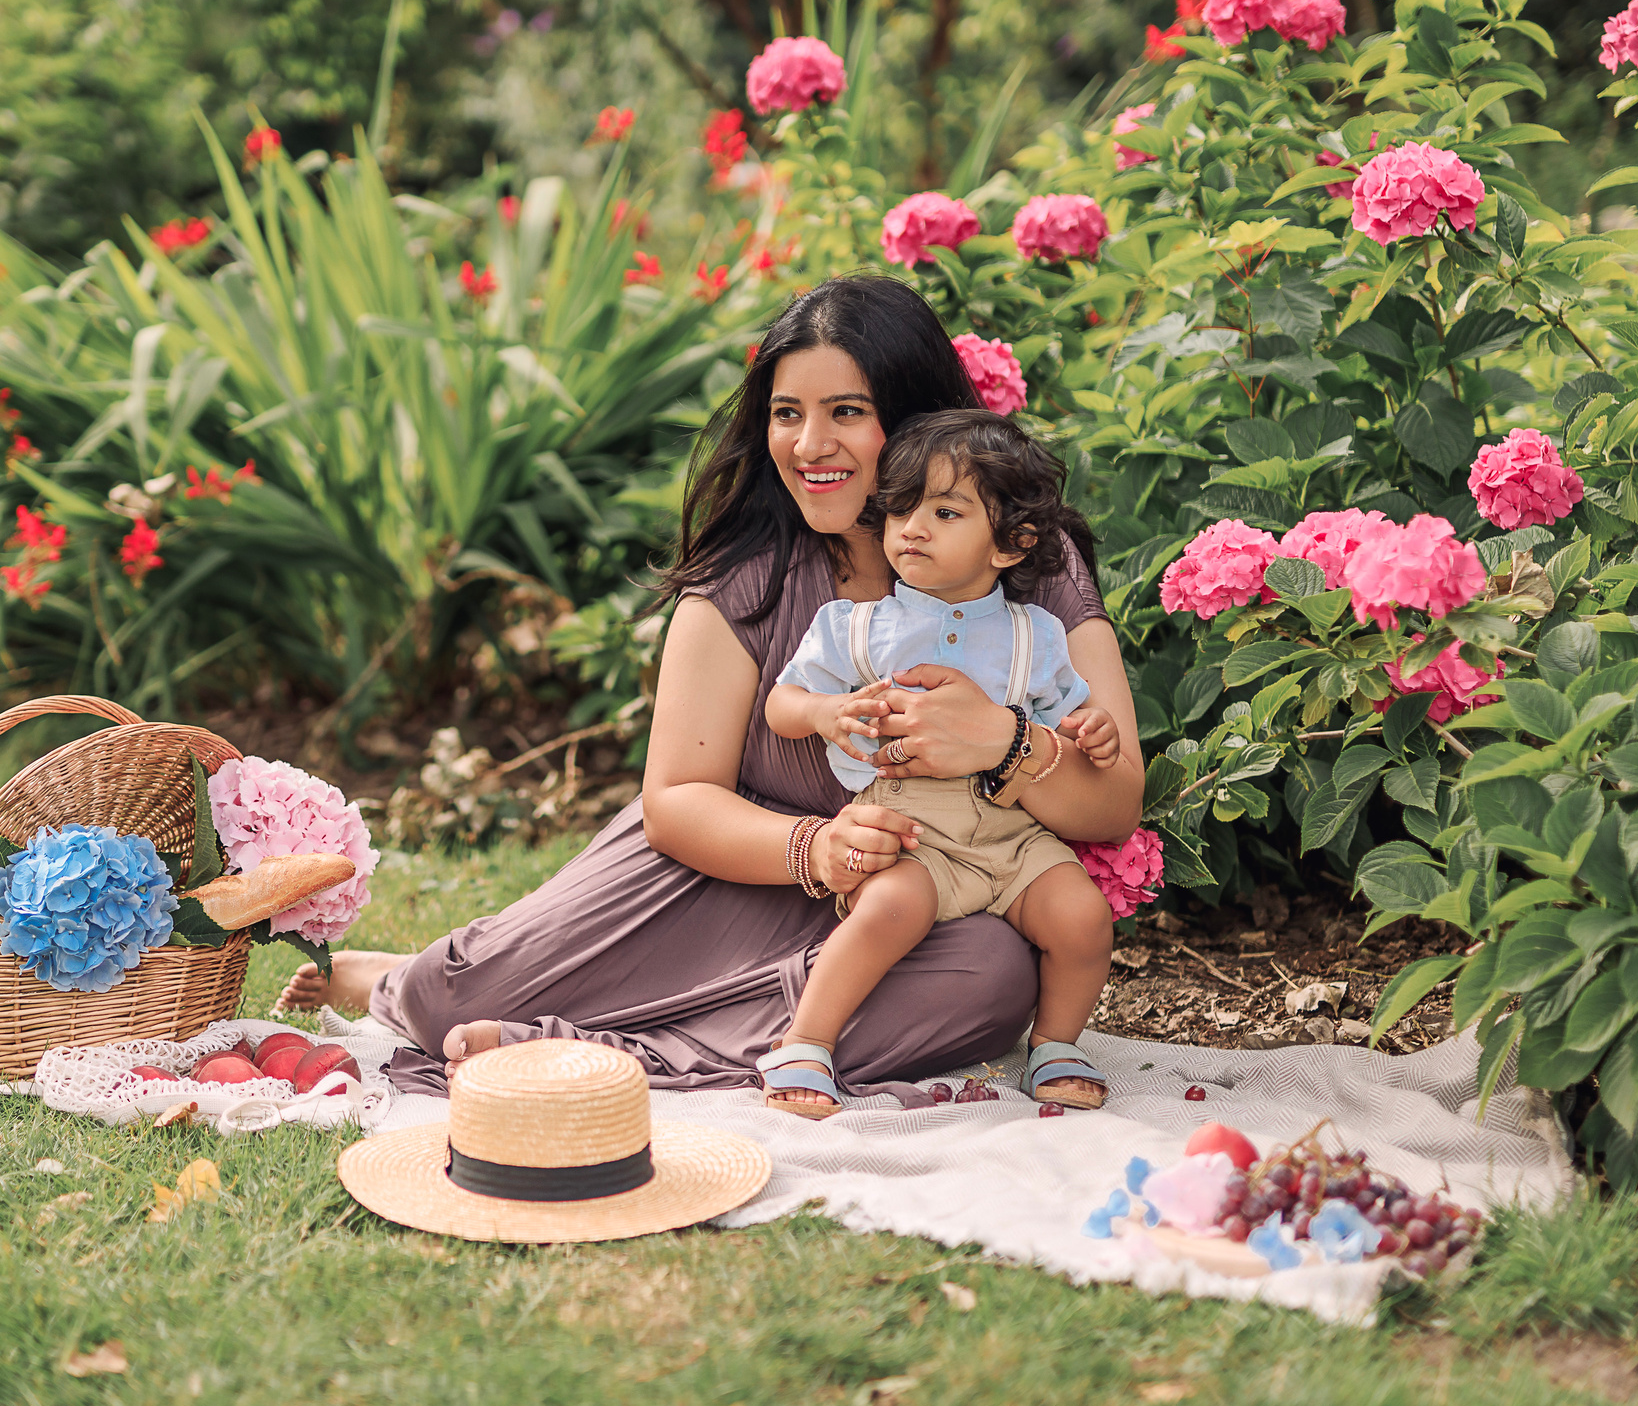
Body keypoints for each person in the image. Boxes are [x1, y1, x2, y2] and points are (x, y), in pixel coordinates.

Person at [275, 276, 1145, 1099]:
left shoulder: (1031, 564)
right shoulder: (749, 578)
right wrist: (818, 849)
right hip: (722, 879)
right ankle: (395, 974)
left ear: (918, 422)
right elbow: (678, 799)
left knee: (992, 982)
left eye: (848, 412)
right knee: (443, 1001)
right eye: (787, 415)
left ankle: (595, 1052)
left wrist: (1004, 742)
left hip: (925, 903)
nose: (810, 446)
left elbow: (1114, 803)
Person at [759, 409, 1124, 1115]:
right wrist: (823, 713)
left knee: (1082, 915)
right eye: (899, 509)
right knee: (891, 905)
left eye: (945, 512)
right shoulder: (859, 626)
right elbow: (783, 701)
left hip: (1011, 834)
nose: (911, 528)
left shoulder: (1034, 636)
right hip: (910, 830)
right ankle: (804, 1042)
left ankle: (1054, 1044)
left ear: (1012, 544)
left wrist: (1094, 733)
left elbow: (1067, 725)